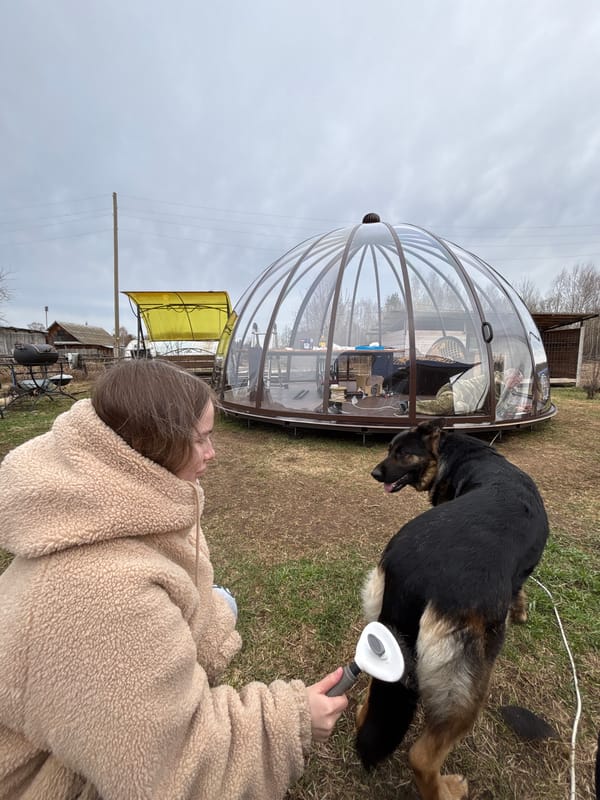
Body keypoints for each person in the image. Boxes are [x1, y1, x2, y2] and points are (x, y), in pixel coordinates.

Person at [0, 359, 348, 800]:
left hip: (72, 720)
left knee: (223, 602)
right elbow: (170, 770)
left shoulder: (111, 502)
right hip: (47, 781)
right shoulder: (104, 596)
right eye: (199, 438)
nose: (212, 452)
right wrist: (293, 718)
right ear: (152, 443)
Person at [398, 366, 524, 416]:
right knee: (447, 406)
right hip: (454, 390)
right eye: (516, 382)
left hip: (466, 401)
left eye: (517, 384)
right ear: (510, 376)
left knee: (460, 408)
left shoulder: (505, 387)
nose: (515, 385)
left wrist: (516, 407)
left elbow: (498, 405)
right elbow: (494, 405)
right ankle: (409, 405)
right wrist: (513, 409)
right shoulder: (497, 380)